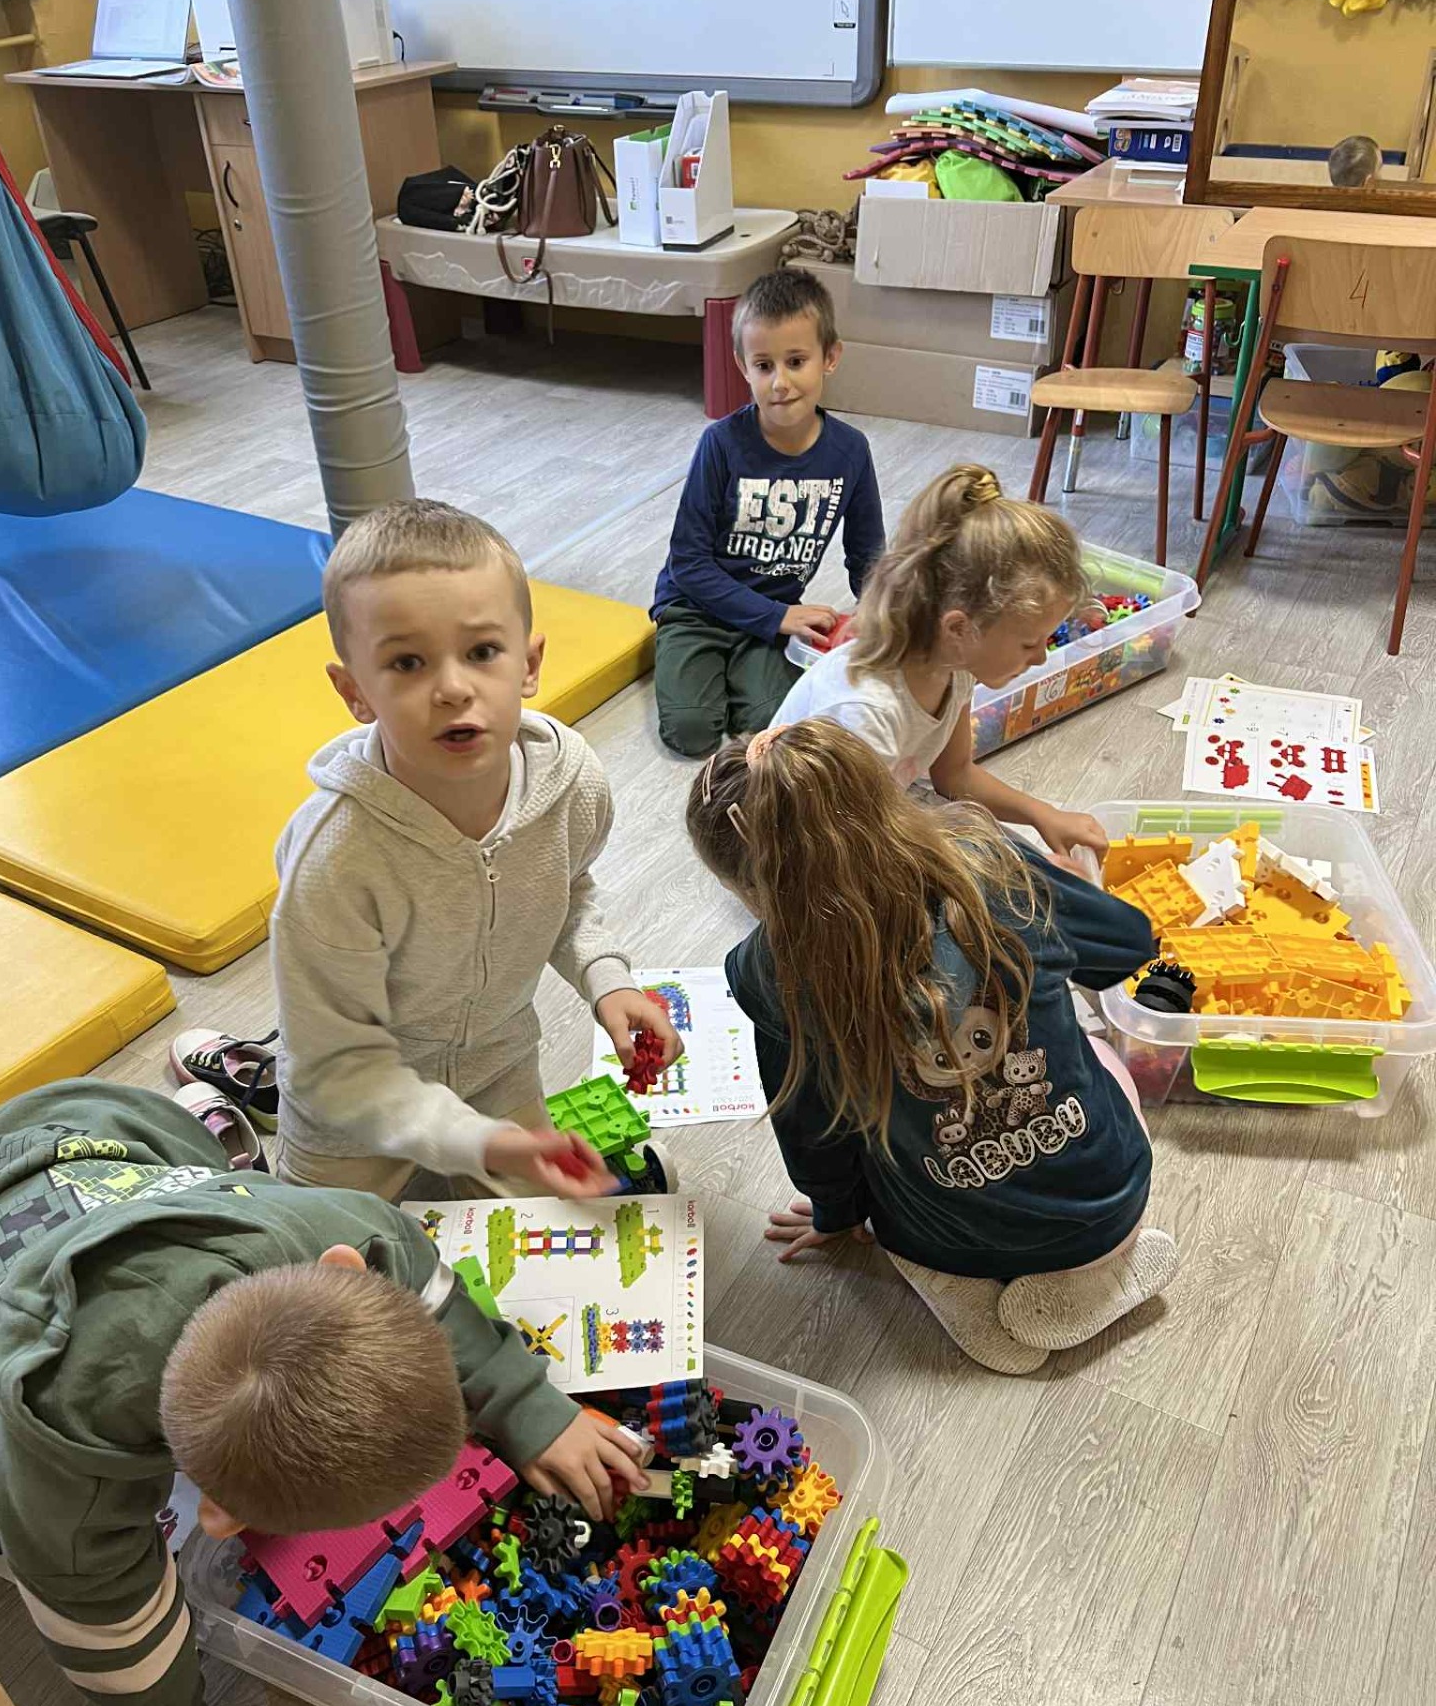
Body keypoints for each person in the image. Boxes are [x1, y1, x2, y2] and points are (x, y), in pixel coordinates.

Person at [0, 1080, 648, 1706]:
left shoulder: (341, 1229)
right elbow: (106, 1626)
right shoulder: (61, 1436)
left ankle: (199, 1141)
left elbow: (423, 1279)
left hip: (84, 1134)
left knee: (181, 1151)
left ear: (346, 1270)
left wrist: (525, 1405)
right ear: (218, 1514)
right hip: (21, 1306)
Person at [686, 720, 1178, 1374]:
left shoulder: (767, 971)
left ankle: (961, 1291)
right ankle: (1103, 1273)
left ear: (749, 889)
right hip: (1107, 1202)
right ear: (886, 799)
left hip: (943, 1239)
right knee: (1097, 1051)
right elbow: (1128, 946)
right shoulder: (991, 859)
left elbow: (812, 1132)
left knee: (882, 1144)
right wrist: (1059, 893)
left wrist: (835, 1216)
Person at [270, 498, 680, 1201]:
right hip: (351, 1111)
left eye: (483, 652)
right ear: (355, 691)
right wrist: (476, 1143)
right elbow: (336, 1069)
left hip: (497, 1068)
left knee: (535, 1235)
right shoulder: (334, 859)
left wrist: (606, 978)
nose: (454, 688)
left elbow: (568, 890)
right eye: (407, 662)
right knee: (325, 1260)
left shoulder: (572, 782)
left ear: (529, 664)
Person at [778, 464, 1110, 861]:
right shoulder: (866, 713)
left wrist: (1041, 814)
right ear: (958, 628)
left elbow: (954, 775)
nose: (1041, 657)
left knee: (1003, 857)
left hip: (864, 821)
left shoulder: (955, 664)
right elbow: (844, 850)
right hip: (799, 851)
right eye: (1028, 643)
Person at [650, 267, 886, 757]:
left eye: (796, 361)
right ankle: (684, 658)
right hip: (695, 609)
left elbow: (868, 556)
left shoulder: (850, 451)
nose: (780, 382)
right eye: (763, 365)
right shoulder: (720, 444)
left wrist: (876, 616)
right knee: (692, 732)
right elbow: (688, 564)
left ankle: (731, 670)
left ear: (830, 357)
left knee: (772, 724)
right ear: (742, 366)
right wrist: (777, 616)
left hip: (771, 618)